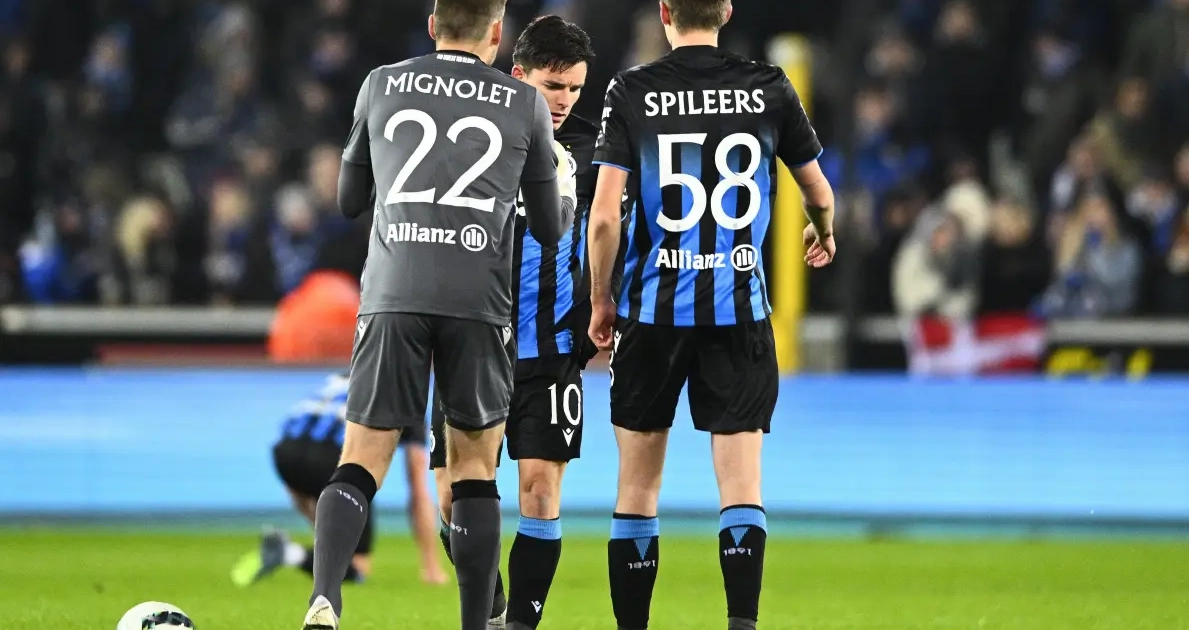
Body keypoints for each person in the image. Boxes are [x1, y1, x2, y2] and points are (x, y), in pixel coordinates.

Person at [299, 0, 577, 627]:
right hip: (477, 300)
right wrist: (561, 189)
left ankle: (325, 596)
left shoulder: (382, 84)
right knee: (474, 470)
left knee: (361, 458)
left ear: (433, 26)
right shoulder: (523, 103)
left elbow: (348, 200)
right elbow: (549, 227)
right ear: (497, 32)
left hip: (394, 290)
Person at [585, 2, 836, 630]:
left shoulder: (632, 90)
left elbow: (605, 216)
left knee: (637, 487)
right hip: (738, 310)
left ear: (664, 11)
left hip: (652, 313)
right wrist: (823, 228)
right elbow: (818, 190)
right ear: (725, 10)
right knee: (741, 487)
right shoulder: (769, 87)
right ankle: (742, 624)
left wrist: (600, 298)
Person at [427, 15, 598, 630]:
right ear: (519, 75)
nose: (565, 101)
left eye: (575, 88)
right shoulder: (473, 136)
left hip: (551, 350)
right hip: (471, 344)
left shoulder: (593, 151)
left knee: (540, 494)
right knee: (452, 499)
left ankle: (521, 624)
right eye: (554, 86)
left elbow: (609, 234)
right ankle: (493, 607)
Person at [229, 372, 447, 588]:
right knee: (357, 565)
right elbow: (418, 488)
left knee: (314, 500)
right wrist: (432, 566)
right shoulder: (406, 398)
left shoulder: (343, 377)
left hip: (285, 453)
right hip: (333, 457)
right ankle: (290, 553)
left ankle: (328, 548)